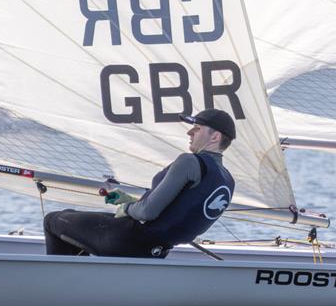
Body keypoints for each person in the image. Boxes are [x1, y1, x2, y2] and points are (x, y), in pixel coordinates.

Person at [43, 109, 236, 258]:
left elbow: (147, 213)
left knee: (54, 220)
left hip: (126, 240)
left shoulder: (189, 161)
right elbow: (177, 212)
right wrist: (131, 200)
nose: (189, 132)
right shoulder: (227, 180)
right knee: (78, 220)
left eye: (197, 128)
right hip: (156, 250)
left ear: (215, 137)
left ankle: (58, 290)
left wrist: (127, 207)